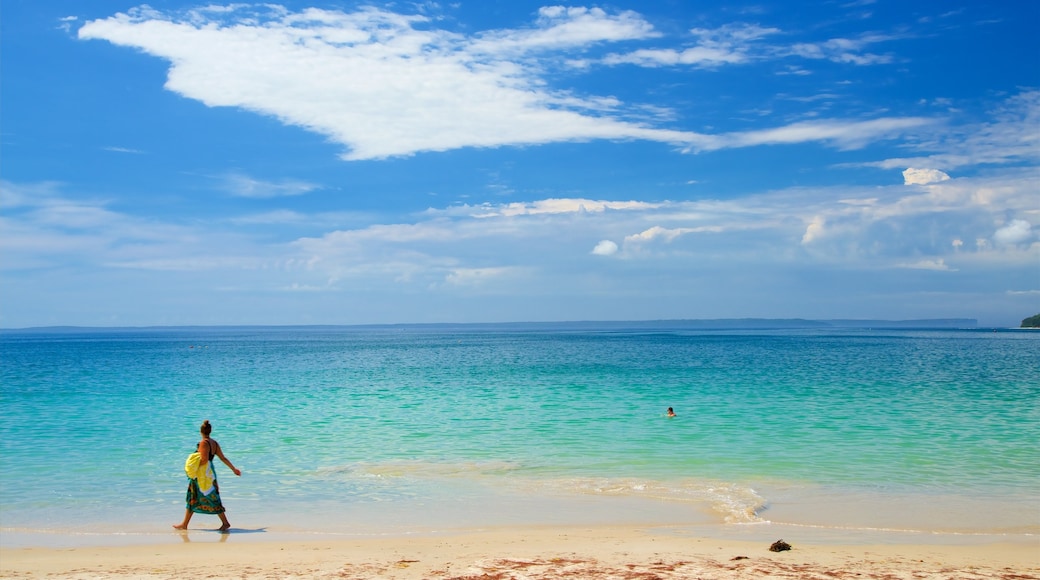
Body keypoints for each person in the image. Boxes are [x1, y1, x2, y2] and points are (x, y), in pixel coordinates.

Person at [173, 420, 241, 532]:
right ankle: (185, 524)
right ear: (210, 431)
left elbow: (204, 460)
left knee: (197, 497)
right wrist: (233, 469)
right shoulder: (214, 443)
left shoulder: (204, 443)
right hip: (210, 473)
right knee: (198, 497)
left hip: (203, 475)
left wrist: (192, 467)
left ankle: (225, 522)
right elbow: (222, 458)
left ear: (201, 431)